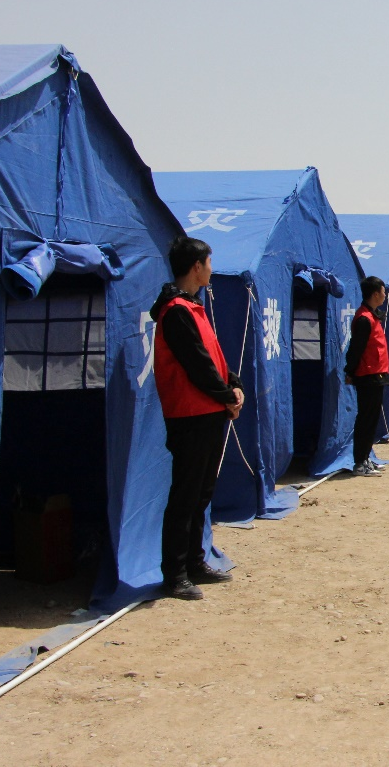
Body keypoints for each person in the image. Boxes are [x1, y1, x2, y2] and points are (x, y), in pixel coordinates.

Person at [151, 237, 244, 600]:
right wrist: (227, 397)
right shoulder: (175, 311)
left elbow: (214, 357)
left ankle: (194, 561)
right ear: (196, 267)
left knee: (201, 493)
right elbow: (197, 365)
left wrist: (233, 385)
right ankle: (175, 573)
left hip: (209, 412)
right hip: (190, 415)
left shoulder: (193, 307)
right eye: (208, 263)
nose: (211, 269)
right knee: (185, 495)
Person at [344, 276, 389, 477]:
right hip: (368, 375)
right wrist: (350, 371)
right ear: (375, 294)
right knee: (365, 419)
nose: (385, 295)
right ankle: (359, 463)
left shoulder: (372, 316)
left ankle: (365, 457)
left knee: (372, 419)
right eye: (383, 291)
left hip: (377, 373)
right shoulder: (364, 318)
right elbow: (355, 349)